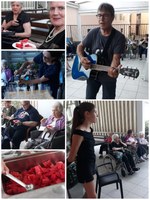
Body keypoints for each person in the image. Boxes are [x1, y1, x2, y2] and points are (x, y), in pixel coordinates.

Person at [77, 3, 125, 99]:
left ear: (112, 17)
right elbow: (80, 46)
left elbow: (116, 58)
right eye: (99, 15)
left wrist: (113, 70)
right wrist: (82, 58)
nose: (101, 19)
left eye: (105, 15)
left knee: (108, 99)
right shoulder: (93, 33)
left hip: (108, 75)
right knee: (89, 98)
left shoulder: (119, 37)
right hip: (92, 73)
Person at [67, 102, 98, 198]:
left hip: (92, 164)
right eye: (95, 112)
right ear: (87, 114)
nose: (97, 115)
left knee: (88, 194)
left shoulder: (89, 129)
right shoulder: (79, 133)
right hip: (84, 168)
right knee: (93, 196)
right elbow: (71, 157)